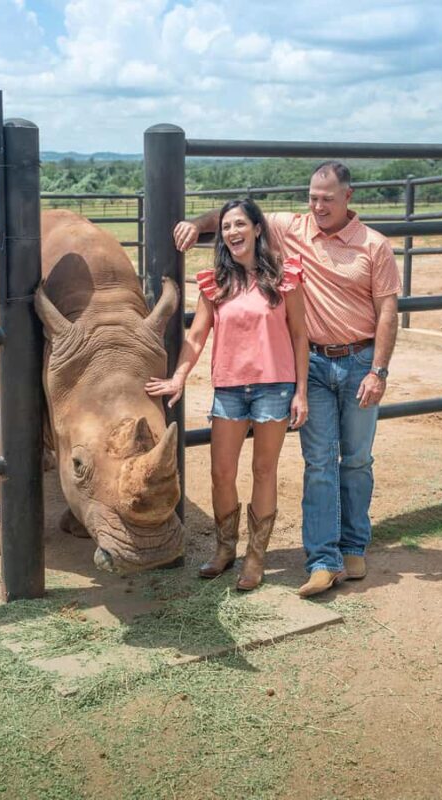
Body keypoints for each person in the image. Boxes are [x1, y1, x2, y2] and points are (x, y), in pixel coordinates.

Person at [173, 161, 401, 598]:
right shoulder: (291, 226)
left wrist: (379, 370)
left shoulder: (374, 246)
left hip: (358, 361)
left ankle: (353, 546)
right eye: (313, 197)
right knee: (318, 463)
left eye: (327, 199)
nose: (318, 206)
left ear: (348, 197)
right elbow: (232, 217)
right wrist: (192, 224)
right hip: (312, 364)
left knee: (355, 460)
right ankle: (323, 559)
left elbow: (388, 310)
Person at [146, 197, 309, 591]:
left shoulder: (286, 277)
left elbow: (300, 334)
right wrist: (179, 376)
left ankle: (255, 557)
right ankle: (224, 550)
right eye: (226, 227)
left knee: (264, 470)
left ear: (256, 229)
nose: (233, 232)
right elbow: (197, 336)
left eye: (240, 224)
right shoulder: (215, 283)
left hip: (274, 386)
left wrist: (300, 391)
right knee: (221, 473)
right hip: (230, 389)